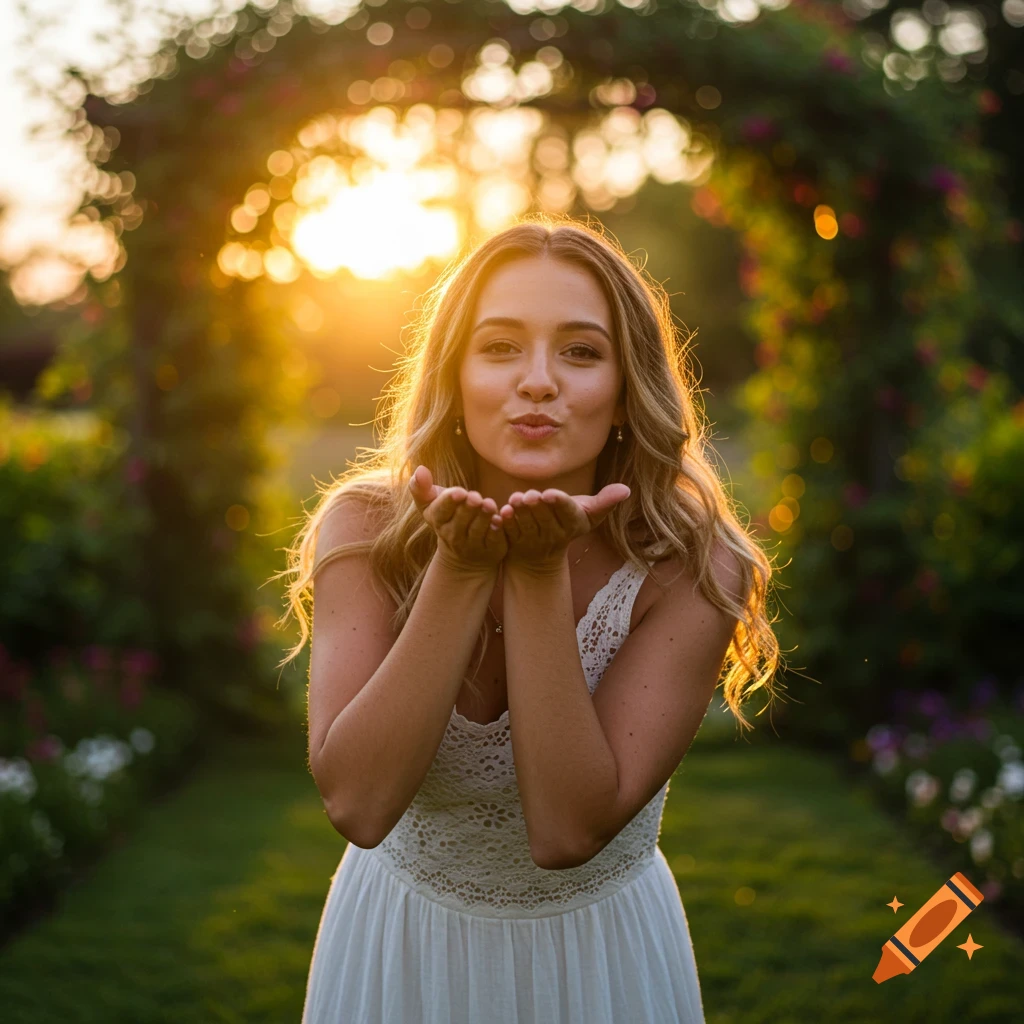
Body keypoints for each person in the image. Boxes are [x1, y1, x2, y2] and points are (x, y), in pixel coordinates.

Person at [276, 217, 782, 1023]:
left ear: (625, 390)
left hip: (596, 961)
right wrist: (466, 565)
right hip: (401, 952)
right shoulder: (366, 527)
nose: (538, 381)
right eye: (501, 347)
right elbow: (359, 805)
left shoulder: (697, 565)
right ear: (455, 375)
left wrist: (537, 570)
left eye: (580, 352)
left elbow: (566, 830)